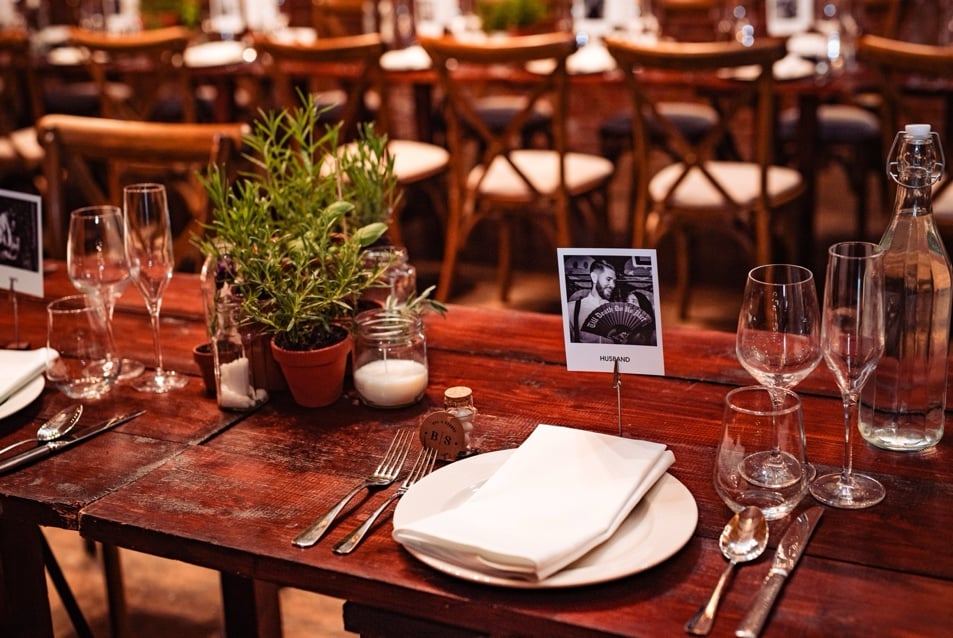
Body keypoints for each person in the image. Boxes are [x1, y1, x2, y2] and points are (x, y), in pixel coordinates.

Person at [568, 259, 616, 343]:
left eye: (614, 281)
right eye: (608, 279)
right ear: (594, 277)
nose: (613, 285)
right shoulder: (571, 309)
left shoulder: (616, 311)